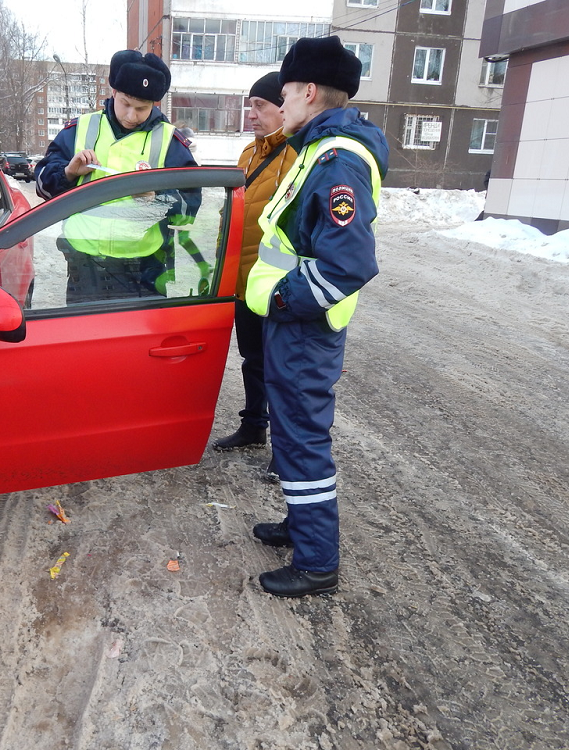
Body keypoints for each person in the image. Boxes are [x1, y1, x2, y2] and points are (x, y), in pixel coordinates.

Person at [245, 37, 389, 598]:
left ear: (308, 91)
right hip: (295, 323)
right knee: (290, 432)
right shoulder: (316, 146)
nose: (280, 105)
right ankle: (300, 526)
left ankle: (316, 562)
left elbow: (348, 264)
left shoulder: (338, 159)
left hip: (305, 326)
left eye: (283, 93)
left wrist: (282, 301)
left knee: (303, 440)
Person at [34, 50, 199, 304]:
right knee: (88, 341)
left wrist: (157, 198)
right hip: (84, 265)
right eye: (126, 103)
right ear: (113, 93)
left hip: (144, 270)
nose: (131, 116)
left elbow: (190, 208)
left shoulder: (171, 142)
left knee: (138, 343)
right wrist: (68, 172)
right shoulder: (80, 129)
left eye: (142, 108)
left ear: (154, 104)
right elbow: (43, 185)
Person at [212, 72, 296, 473]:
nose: (252, 114)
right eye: (251, 105)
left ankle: (287, 449)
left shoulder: (298, 155)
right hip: (245, 281)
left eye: (260, 105)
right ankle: (254, 426)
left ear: (284, 106)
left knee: (282, 368)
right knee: (253, 359)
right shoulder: (249, 153)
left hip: (279, 284)